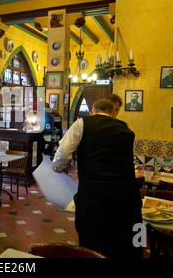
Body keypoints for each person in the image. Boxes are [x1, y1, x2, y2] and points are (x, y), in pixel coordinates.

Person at [52, 99, 143, 258]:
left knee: (92, 241)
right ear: (114, 113)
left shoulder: (82, 124)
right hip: (127, 195)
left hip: (94, 194)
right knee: (125, 242)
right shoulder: (126, 130)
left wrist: (57, 167)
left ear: (92, 112)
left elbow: (64, 151)